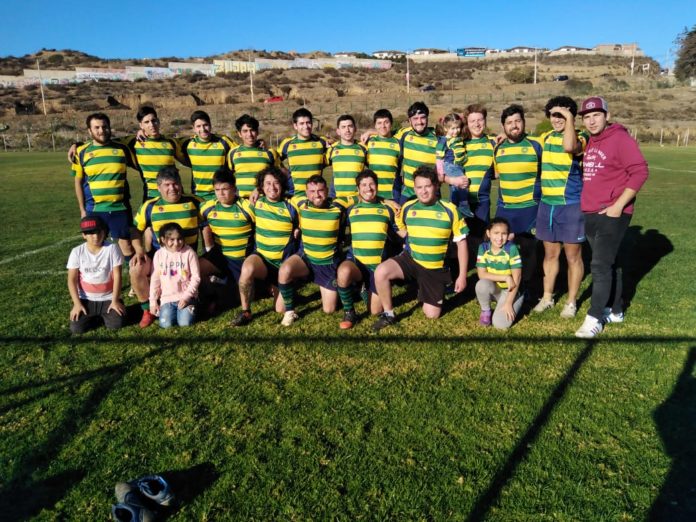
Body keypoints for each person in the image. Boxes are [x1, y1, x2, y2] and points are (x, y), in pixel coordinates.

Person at [574, 96, 649, 338]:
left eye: (596, 115)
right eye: (587, 117)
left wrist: (618, 205)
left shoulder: (619, 138)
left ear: (606, 115)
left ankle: (594, 318)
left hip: (612, 213)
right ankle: (615, 310)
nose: (592, 120)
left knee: (598, 266)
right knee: (610, 263)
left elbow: (640, 171)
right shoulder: (592, 141)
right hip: (591, 212)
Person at [372, 166, 469, 331]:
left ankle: (431, 287)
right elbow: (403, 231)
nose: (423, 191)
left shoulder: (450, 210)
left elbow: (462, 244)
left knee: (432, 314)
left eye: (427, 186)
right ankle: (389, 314)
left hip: (434, 268)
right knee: (381, 271)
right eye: (419, 187)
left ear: (436, 186)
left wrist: (462, 276)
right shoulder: (409, 207)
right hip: (410, 259)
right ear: (414, 188)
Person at [533, 96, 589, 318]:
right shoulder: (545, 137)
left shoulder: (581, 136)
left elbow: (569, 146)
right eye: (553, 115)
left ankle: (571, 302)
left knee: (573, 257)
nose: (557, 119)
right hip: (548, 205)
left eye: (562, 115)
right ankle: (547, 297)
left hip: (571, 205)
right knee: (550, 255)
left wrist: (568, 117)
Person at [277, 175, 356, 326]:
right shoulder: (300, 203)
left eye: (320, 190)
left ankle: (351, 284)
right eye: (312, 191)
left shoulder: (338, 204)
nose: (316, 195)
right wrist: (255, 191)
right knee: (284, 271)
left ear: (327, 191)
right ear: (306, 193)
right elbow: (278, 193)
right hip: (306, 258)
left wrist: (386, 201)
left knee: (329, 309)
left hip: (328, 263)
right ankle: (290, 312)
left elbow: (362, 196)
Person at [130, 167, 204, 327]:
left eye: (176, 184)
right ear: (159, 188)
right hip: (160, 260)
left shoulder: (194, 202)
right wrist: (139, 249)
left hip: (187, 259)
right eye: (167, 185)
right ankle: (147, 310)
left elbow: (209, 223)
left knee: (208, 267)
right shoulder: (150, 206)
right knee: (136, 270)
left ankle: (201, 298)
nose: (173, 188)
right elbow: (135, 229)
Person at [231, 166, 300, 326]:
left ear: (282, 185)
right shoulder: (256, 203)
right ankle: (246, 312)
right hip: (262, 260)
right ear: (261, 187)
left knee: (280, 309)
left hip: (283, 264)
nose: (272, 187)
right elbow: (232, 200)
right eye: (267, 184)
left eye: (276, 183)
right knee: (247, 268)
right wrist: (256, 190)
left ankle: (285, 286)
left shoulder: (292, 205)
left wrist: (298, 228)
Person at [336, 170, 400, 329]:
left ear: (377, 186)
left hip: (377, 267)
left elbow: (400, 233)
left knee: (374, 311)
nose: (368, 188)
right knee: (343, 271)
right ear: (358, 189)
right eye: (363, 185)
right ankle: (349, 312)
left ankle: (362, 287)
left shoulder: (388, 208)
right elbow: (332, 203)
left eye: (371, 184)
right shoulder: (350, 208)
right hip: (356, 262)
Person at [72, 112, 137, 261]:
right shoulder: (81, 152)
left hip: (119, 207)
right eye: (97, 128)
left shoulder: (122, 149)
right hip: (94, 209)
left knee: (126, 245)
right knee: (96, 246)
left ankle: (134, 283)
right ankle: (102, 281)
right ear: (89, 131)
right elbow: (78, 182)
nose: (101, 131)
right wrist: (82, 210)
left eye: (105, 127)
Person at [493, 104, 543, 294]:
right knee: (503, 248)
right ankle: (504, 286)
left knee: (529, 249)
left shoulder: (537, 145)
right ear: (503, 127)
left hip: (530, 208)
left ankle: (528, 287)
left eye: (517, 121)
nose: (514, 126)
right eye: (509, 123)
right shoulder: (497, 147)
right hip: (505, 208)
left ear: (524, 122)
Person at [67, 216, 125, 334]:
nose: (96, 236)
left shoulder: (112, 248)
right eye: (90, 233)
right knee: (76, 329)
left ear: (104, 232)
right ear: (84, 235)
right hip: (86, 298)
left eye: (98, 232)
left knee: (116, 324)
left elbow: (117, 276)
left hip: (108, 297)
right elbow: (71, 280)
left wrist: (115, 300)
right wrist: (77, 304)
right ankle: (96, 315)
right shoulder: (77, 251)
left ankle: (111, 309)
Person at [200, 167, 255, 285]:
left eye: (225, 189)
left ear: (234, 189)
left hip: (242, 259)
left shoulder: (247, 208)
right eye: (217, 189)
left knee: (238, 292)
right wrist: (208, 248)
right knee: (196, 269)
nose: (221, 193)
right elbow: (202, 224)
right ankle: (212, 295)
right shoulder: (207, 208)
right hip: (220, 257)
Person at [127, 106, 187, 201]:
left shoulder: (171, 142)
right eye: (146, 122)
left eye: (153, 120)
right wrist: (138, 133)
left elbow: (187, 160)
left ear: (158, 121)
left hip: (174, 194)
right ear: (141, 125)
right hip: (151, 197)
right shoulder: (134, 142)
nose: (152, 125)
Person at [149, 223, 201, 328]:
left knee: (185, 323)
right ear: (163, 239)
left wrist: (186, 297)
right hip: (167, 299)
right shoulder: (158, 255)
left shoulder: (189, 253)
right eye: (171, 239)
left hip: (186, 297)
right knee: (165, 324)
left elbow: (196, 278)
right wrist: (153, 302)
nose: (176, 243)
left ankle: (195, 305)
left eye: (179, 239)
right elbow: (155, 280)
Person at [475, 217, 523, 330]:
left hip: (511, 291)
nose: (500, 238)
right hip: (496, 288)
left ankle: (513, 302)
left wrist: (508, 303)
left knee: (500, 325)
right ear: (488, 233)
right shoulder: (483, 248)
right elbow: (481, 274)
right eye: (496, 233)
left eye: (504, 234)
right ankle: (486, 311)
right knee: (481, 284)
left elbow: (517, 277)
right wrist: (505, 277)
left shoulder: (512, 249)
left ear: (508, 235)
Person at [179, 110, 238, 200]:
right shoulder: (187, 143)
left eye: (205, 125)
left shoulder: (223, 141)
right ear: (194, 128)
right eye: (198, 126)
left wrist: (259, 143)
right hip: (198, 195)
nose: (203, 129)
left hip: (220, 193)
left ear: (210, 125)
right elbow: (168, 144)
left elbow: (241, 151)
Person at [461, 104, 497, 239]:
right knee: (460, 242)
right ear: (467, 123)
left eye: (480, 120)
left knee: (480, 241)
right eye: (472, 121)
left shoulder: (493, 143)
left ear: (485, 121)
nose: (477, 124)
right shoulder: (459, 143)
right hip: (460, 202)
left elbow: (497, 172)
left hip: (482, 202)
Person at [278, 108, 329, 197]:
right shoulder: (287, 144)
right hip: (296, 196)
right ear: (295, 126)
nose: (306, 126)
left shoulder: (321, 142)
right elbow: (274, 160)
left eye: (308, 122)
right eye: (301, 123)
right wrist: (287, 175)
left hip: (316, 195)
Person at [226, 114, 280, 198]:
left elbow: (278, 177)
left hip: (264, 201)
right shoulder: (233, 153)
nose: (249, 134)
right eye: (245, 131)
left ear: (257, 132)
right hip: (241, 202)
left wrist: (259, 189)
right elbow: (229, 177)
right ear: (239, 134)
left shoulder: (270, 153)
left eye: (252, 130)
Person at [397, 102, 439, 203]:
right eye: (415, 118)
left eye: (423, 117)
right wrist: (369, 132)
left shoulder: (438, 136)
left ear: (428, 118)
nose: (419, 122)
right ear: (409, 120)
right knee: (400, 217)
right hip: (408, 192)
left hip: (431, 192)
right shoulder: (404, 134)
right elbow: (385, 133)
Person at [436, 112, 472, 217]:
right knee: (462, 184)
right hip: (450, 166)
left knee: (455, 188)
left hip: (458, 166)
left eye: (457, 128)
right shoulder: (443, 141)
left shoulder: (458, 139)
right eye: (452, 128)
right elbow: (439, 158)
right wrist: (441, 173)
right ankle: (463, 206)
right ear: (446, 128)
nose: (456, 131)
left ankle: (453, 207)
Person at [325, 114, 368, 198]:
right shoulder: (332, 149)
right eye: (343, 127)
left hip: (357, 197)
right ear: (338, 131)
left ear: (355, 129)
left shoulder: (363, 148)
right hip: (335, 197)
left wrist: (370, 132)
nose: (347, 130)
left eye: (350, 126)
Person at [365, 109, 401, 201]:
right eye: (379, 123)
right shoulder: (368, 142)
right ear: (375, 125)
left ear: (391, 124)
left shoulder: (399, 142)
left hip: (393, 195)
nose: (383, 126)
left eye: (386, 122)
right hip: (372, 193)